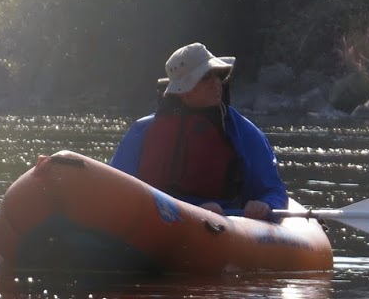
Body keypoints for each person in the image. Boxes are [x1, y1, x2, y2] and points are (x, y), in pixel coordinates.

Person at [110, 42, 288, 220]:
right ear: (183, 91)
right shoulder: (142, 131)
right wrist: (195, 210)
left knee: (213, 209)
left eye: (217, 75)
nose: (216, 83)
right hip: (153, 214)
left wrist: (265, 204)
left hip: (223, 220)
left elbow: (274, 191)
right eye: (205, 78)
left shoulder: (244, 132)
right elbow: (116, 184)